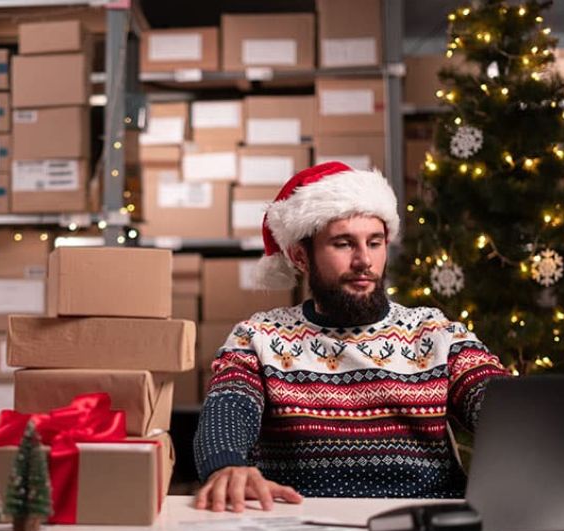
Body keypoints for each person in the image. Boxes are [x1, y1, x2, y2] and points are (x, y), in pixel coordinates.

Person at [193, 162, 508, 512]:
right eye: (344, 244)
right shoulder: (259, 338)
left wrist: (532, 431)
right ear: (300, 257)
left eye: (375, 243)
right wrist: (227, 464)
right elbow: (228, 407)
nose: (364, 261)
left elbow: (497, 400)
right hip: (303, 525)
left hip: (427, 525)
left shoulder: (435, 333)